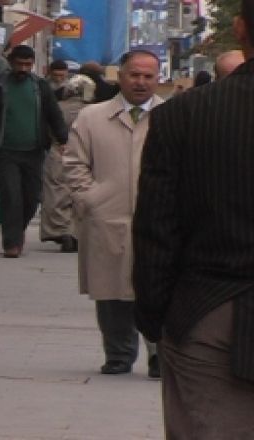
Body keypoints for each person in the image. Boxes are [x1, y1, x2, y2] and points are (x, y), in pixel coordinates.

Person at [132, 2, 254, 437]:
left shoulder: (181, 117)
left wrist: (156, 317)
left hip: (208, 312)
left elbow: (156, 229)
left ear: (239, 29)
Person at [64, 50, 163, 378]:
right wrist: (90, 198)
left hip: (159, 219)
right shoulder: (92, 118)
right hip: (107, 214)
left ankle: (159, 353)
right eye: (134, 74)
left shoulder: (173, 115)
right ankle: (118, 354)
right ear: (119, 76)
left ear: (158, 78)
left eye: (148, 76)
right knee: (111, 291)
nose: (141, 82)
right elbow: (74, 163)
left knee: (159, 288)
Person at [0, 45, 68, 258]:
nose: (24, 68)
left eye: (28, 65)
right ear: (11, 63)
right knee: (11, 196)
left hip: (34, 151)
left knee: (32, 197)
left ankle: (17, 231)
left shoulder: (40, 87)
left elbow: (53, 113)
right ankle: (12, 243)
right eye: (20, 64)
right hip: (5, 152)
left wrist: (62, 138)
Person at [40, 60, 79, 253]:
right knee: (72, 192)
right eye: (57, 73)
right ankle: (72, 231)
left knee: (56, 192)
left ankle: (62, 230)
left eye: (62, 73)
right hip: (70, 151)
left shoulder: (50, 100)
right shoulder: (91, 110)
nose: (59, 77)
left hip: (57, 150)